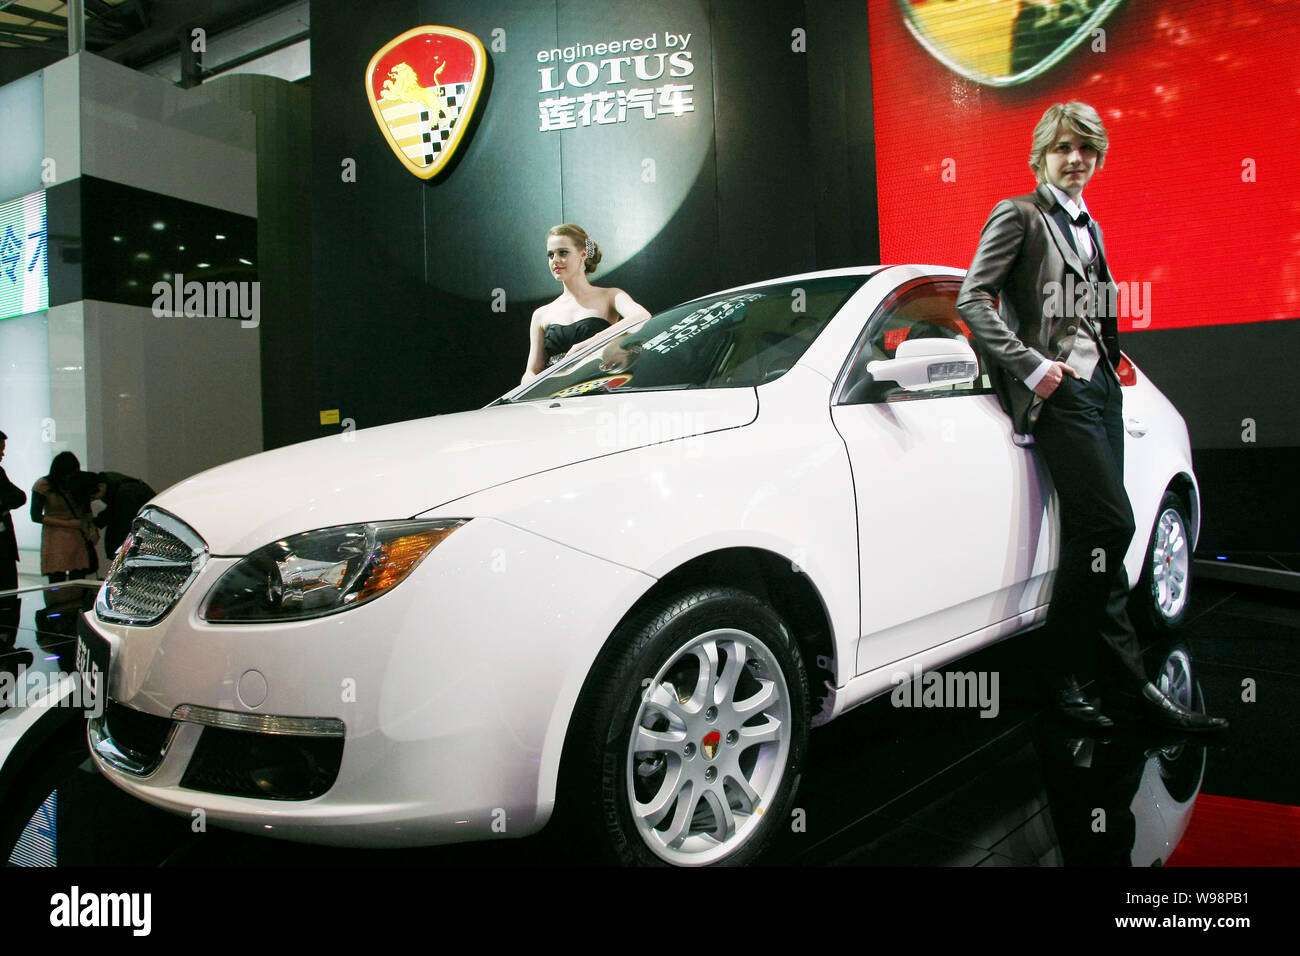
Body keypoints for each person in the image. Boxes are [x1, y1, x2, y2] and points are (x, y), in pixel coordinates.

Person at [956, 101, 1226, 732]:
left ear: (1097, 158)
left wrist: (1111, 373)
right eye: (1063, 149)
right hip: (1060, 391)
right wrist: (1034, 368)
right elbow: (974, 298)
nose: (1074, 159)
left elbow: (1097, 317)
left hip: (1102, 391)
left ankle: (1128, 687)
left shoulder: (1092, 229)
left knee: (1098, 537)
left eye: (1086, 150)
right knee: (1111, 525)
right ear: (1041, 156)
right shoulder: (1018, 214)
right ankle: (1060, 668)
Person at [520, 224, 651, 383]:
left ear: (583, 254)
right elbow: (531, 372)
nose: (555, 260)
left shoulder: (610, 295)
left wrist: (590, 343)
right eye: (550, 255)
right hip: (556, 395)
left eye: (563, 252)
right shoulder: (541, 314)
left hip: (597, 387)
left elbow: (642, 316)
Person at [29, 451, 96, 583]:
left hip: (77, 536)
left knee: (78, 579)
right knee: (56, 580)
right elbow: (36, 516)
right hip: (55, 537)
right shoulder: (43, 485)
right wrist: (69, 524)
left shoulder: (79, 484)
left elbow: (87, 511)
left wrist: (91, 528)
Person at [87, 470, 156, 559]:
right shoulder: (116, 485)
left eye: (94, 497)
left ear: (100, 486)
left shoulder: (125, 493)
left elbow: (123, 523)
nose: (96, 499)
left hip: (141, 539)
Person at [0, 430, 27, 600]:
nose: (2, 454)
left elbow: (19, 497)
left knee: (9, 594)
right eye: (0, 449)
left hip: (4, 545)